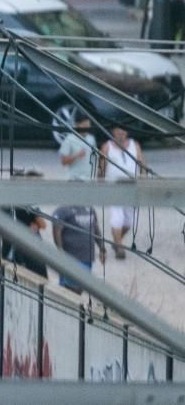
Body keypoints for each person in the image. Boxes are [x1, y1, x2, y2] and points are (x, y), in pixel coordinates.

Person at [99, 124, 144, 259]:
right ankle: (119, 248)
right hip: (114, 188)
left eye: (123, 130)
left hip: (132, 188)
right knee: (117, 217)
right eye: (118, 131)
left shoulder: (134, 145)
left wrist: (143, 178)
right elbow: (102, 168)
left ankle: (116, 241)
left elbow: (141, 164)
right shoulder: (107, 147)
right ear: (113, 132)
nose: (121, 133)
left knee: (130, 221)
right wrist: (99, 183)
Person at [51, 203, 101, 292]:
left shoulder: (90, 209)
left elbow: (96, 228)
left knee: (81, 286)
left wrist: (102, 248)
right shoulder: (62, 210)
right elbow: (56, 230)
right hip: (71, 258)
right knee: (69, 289)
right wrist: (60, 250)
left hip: (87, 257)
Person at [2, 204, 48, 278]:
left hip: (14, 249)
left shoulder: (5, 207)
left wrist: (37, 225)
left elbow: (43, 225)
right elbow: (43, 225)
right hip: (29, 248)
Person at [57, 111, 99, 181]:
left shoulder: (91, 139)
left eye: (88, 126)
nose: (86, 129)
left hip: (89, 179)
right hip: (75, 179)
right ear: (76, 125)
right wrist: (77, 156)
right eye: (84, 126)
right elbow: (63, 162)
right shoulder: (69, 140)